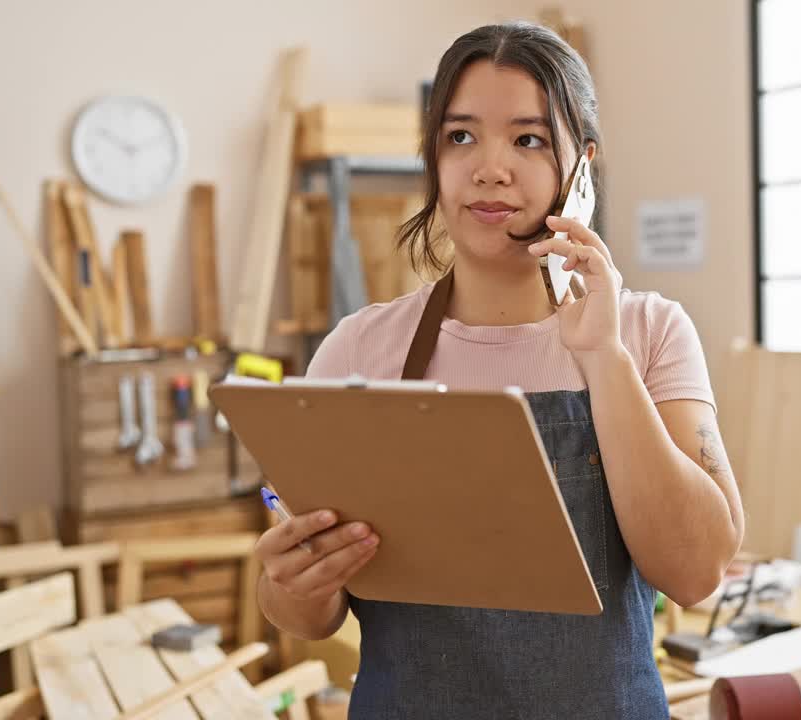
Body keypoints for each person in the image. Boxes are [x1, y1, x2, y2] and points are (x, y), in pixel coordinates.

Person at [253, 20, 745, 719]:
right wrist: (293, 583)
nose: (490, 167)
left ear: (583, 166)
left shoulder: (649, 331)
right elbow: (302, 616)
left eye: (529, 139)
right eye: (460, 137)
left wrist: (603, 359)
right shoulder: (357, 351)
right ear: (433, 158)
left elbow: (697, 572)